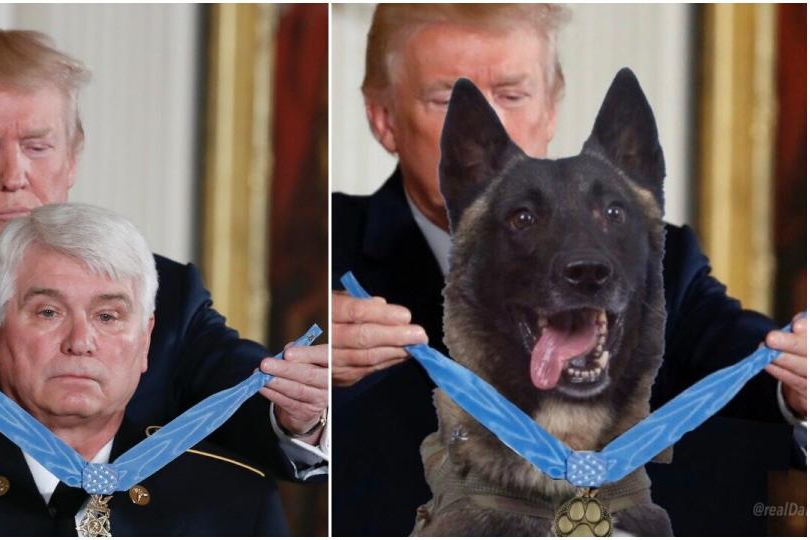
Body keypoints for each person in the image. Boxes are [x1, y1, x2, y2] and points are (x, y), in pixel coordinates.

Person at [331, 4, 806, 535]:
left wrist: (797, 385)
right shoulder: (327, 263)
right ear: (383, 119)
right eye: (448, 99)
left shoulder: (656, 258)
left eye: (514, 94)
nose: (491, 127)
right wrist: (312, 375)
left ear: (553, 107)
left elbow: (753, 366)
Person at [0, 30, 328, 483]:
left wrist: (301, 413)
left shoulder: (160, 288)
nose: (14, 176)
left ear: (73, 159)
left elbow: (257, 410)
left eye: (38, 146)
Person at [0, 203, 290, 535]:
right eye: (47, 312)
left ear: (145, 342)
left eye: (108, 316)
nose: (80, 342)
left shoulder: (236, 501)